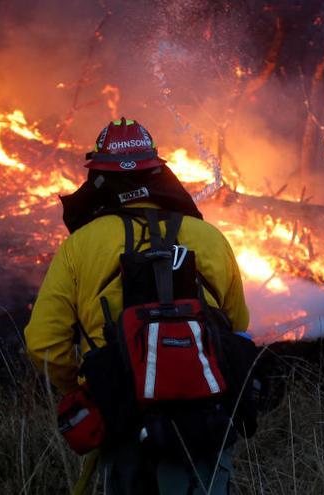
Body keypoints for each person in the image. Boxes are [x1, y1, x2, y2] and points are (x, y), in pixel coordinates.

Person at [24, 118, 251, 494]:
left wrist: (88, 385)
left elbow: (42, 343)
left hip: (122, 414)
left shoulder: (82, 245)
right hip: (206, 417)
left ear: (98, 178)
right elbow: (238, 325)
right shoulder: (210, 238)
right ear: (159, 171)